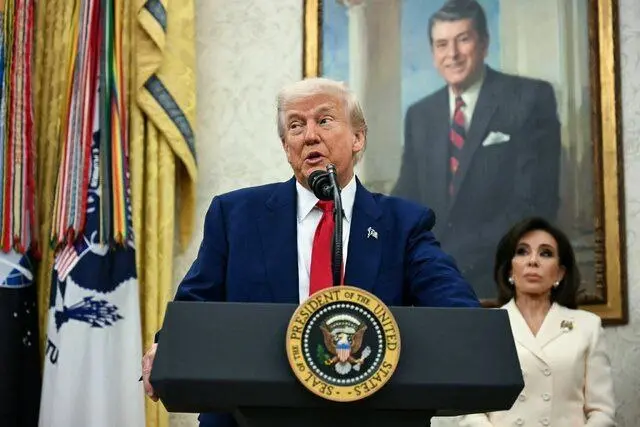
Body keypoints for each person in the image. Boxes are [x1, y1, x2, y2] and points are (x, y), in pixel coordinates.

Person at [141, 77, 481, 427]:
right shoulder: (235, 216)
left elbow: (458, 313)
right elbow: (195, 305)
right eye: (295, 125)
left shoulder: (404, 224)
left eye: (324, 120)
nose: (309, 136)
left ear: (358, 137)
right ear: (286, 146)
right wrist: (168, 346)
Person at [392, 0, 562, 299]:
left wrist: (447, 257)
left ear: (483, 43)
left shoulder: (529, 98)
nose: (452, 54)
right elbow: (407, 195)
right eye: (442, 44)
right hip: (431, 283)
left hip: (501, 279)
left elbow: (534, 204)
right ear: (433, 53)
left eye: (463, 39)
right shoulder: (420, 114)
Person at [459, 217, 615, 427]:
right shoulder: (486, 326)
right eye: (522, 251)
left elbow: (602, 412)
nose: (533, 261)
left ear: (560, 273)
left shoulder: (588, 327)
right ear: (509, 270)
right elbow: (471, 412)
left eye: (545, 253)